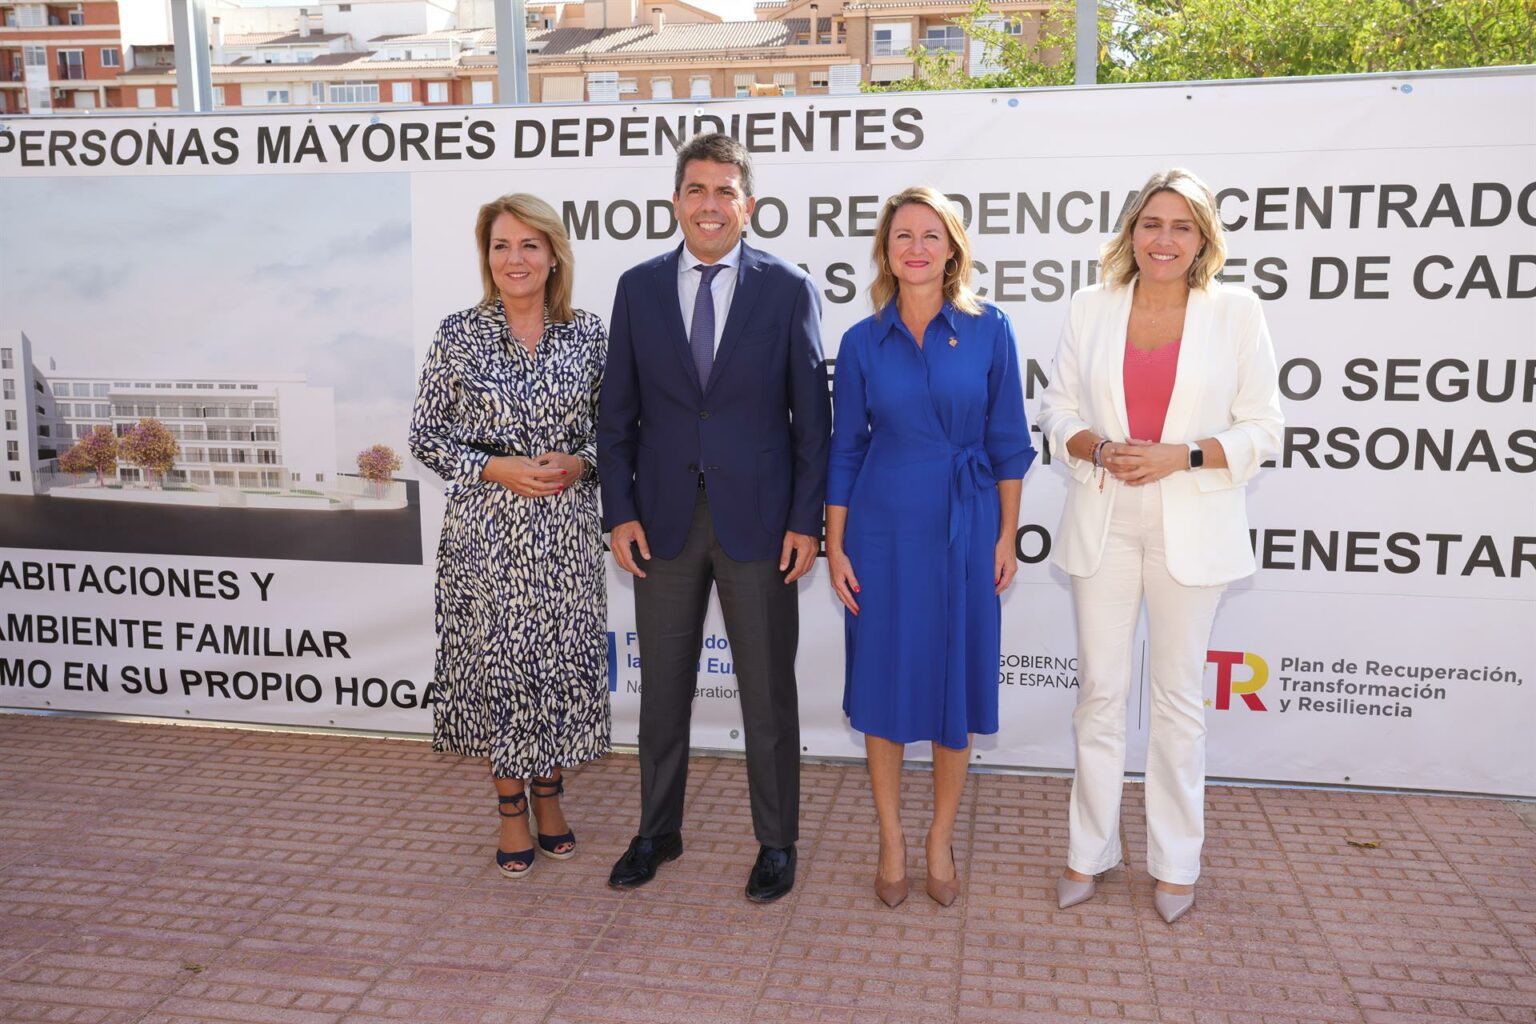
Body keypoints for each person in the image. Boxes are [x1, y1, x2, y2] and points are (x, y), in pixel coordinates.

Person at [1038, 168, 1283, 923]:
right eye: (1152, 224)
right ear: (1132, 232)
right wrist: (1098, 446)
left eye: (1182, 226)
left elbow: (1265, 428)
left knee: (1178, 701)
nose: (1164, 239)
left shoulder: (1236, 312)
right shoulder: (1090, 305)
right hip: (1105, 518)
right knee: (1100, 695)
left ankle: (1177, 863)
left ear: (1203, 239)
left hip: (1192, 525)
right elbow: (1058, 410)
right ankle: (1089, 852)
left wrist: (1186, 454)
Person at [598, 132, 832, 903]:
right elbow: (616, 415)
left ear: (748, 204)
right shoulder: (637, 288)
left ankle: (777, 842)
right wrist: (619, 511)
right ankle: (657, 831)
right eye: (696, 189)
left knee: (767, 696)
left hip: (760, 525)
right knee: (662, 692)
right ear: (675, 202)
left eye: (724, 191)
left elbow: (813, 421)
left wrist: (804, 522)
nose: (710, 204)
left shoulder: (787, 288)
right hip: (661, 523)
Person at [825, 187, 1036, 908]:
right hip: (880, 534)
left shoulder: (990, 329)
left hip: (966, 528)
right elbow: (845, 450)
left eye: (930, 236)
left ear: (952, 250)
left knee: (957, 680)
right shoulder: (861, 342)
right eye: (902, 236)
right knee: (882, 683)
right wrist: (836, 546)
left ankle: (939, 838)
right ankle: (891, 839)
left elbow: (1009, 442)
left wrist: (1006, 535)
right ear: (886, 252)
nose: (916, 248)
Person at [408, 193, 610, 880]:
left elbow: (617, 431)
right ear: (486, 257)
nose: (514, 259)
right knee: (501, 670)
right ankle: (510, 811)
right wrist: (495, 467)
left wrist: (581, 463)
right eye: (500, 246)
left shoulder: (589, 335)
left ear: (554, 255)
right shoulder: (458, 333)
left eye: (529, 245)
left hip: (566, 534)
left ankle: (550, 798)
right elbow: (426, 437)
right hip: (486, 536)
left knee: (556, 665)